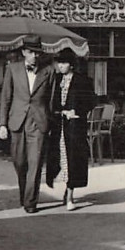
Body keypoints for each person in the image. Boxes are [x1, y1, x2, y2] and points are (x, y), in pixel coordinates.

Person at [0, 35, 54, 214]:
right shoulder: (12, 69)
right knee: (20, 162)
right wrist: (2, 124)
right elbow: (5, 99)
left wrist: (49, 123)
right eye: (31, 53)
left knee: (35, 163)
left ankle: (30, 202)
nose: (35, 56)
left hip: (38, 123)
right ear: (24, 52)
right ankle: (25, 194)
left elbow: (51, 100)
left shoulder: (49, 71)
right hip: (17, 122)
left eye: (38, 53)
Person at [45, 48, 96, 210]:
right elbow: (49, 101)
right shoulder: (55, 80)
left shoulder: (82, 81)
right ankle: (66, 191)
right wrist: (57, 113)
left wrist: (78, 111)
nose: (60, 66)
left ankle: (70, 195)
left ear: (71, 64)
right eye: (59, 62)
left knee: (72, 159)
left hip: (74, 127)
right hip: (58, 126)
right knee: (60, 158)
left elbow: (91, 101)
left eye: (64, 62)